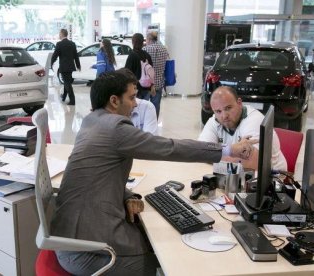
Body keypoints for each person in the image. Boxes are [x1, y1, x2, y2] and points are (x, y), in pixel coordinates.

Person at [51, 69, 256, 275]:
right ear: (114, 101)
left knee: (153, 238)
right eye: (132, 97)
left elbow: (97, 177)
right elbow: (170, 148)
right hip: (90, 252)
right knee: (170, 260)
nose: (136, 103)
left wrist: (128, 195)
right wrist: (229, 149)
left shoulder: (90, 122)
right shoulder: (116, 128)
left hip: (68, 238)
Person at [198, 86, 287, 171]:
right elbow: (199, 151)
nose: (224, 116)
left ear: (239, 103)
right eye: (218, 111)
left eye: (228, 108)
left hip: (274, 177)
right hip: (235, 175)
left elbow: (252, 163)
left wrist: (213, 153)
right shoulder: (214, 121)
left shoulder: (254, 120)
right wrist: (232, 151)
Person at [51, 28, 81, 105]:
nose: (59, 35)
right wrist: (78, 65)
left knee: (67, 83)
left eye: (59, 33)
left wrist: (51, 63)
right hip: (70, 67)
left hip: (64, 67)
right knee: (67, 82)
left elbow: (55, 55)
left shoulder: (59, 44)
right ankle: (64, 97)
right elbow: (76, 56)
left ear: (61, 34)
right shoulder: (72, 44)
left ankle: (72, 100)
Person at [143, 31, 169, 118]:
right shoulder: (164, 49)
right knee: (156, 105)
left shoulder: (145, 49)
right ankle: (154, 123)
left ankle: (145, 123)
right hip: (159, 82)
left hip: (146, 83)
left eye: (146, 39)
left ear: (149, 39)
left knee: (145, 105)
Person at [125, 33, 155, 100]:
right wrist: (152, 85)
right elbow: (151, 72)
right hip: (147, 87)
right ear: (142, 42)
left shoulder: (132, 55)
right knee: (144, 108)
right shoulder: (147, 55)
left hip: (135, 88)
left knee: (135, 108)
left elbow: (127, 72)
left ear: (133, 42)